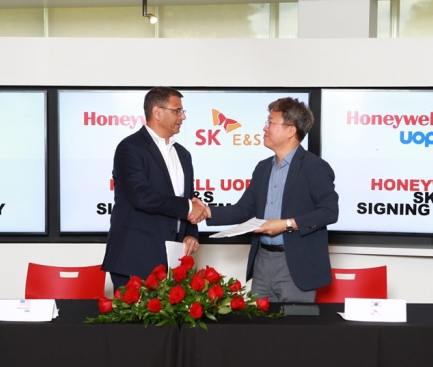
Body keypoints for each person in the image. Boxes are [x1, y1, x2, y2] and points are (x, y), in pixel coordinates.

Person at [191, 97, 338, 302]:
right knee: (259, 331)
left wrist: (286, 225)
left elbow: (330, 212)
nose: (264, 128)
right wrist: (207, 211)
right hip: (262, 261)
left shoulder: (314, 167)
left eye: (270, 122)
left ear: (290, 130)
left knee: (295, 331)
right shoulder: (263, 167)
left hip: (296, 264)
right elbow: (244, 209)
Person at [102, 87, 207, 291]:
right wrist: (188, 207)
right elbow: (141, 196)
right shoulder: (130, 148)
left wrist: (191, 233)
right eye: (177, 111)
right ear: (157, 112)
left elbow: (188, 200)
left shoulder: (183, 154)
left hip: (173, 263)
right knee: (133, 323)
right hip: (135, 260)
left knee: (171, 324)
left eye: (183, 111)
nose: (183, 117)